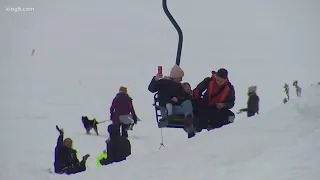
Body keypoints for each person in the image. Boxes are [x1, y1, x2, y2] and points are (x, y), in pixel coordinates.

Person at [148, 65, 195, 138]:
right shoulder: (163, 83)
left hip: (177, 108)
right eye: (180, 78)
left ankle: (189, 122)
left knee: (188, 103)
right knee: (186, 108)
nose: (181, 80)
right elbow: (151, 89)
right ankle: (190, 129)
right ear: (176, 77)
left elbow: (183, 98)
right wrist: (155, 79)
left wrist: (187, 93)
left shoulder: (180, 87)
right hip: (167, 109)